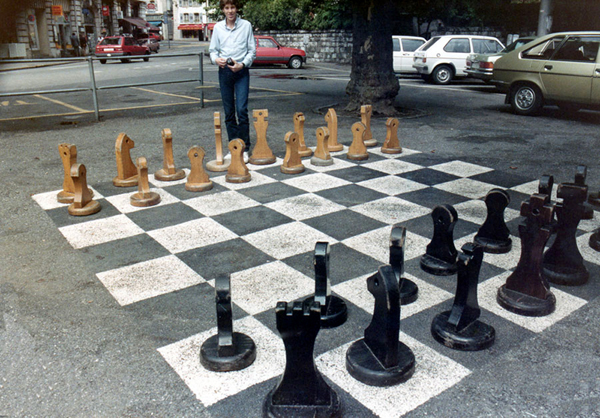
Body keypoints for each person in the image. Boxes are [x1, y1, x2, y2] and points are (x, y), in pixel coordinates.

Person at [209, 0, 256, 162]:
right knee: (229, 112)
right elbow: (213, 51)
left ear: (237, 9)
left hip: (241, 71)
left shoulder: (246, 26)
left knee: (241, 110)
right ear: (223, 10)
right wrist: (217, 60)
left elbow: (252, 51)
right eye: (227, 8)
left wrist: (242, 64)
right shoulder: (218, 28)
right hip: (225, 72)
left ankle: (244, 147)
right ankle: (233, 146)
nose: (230, 11)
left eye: (233, 7)